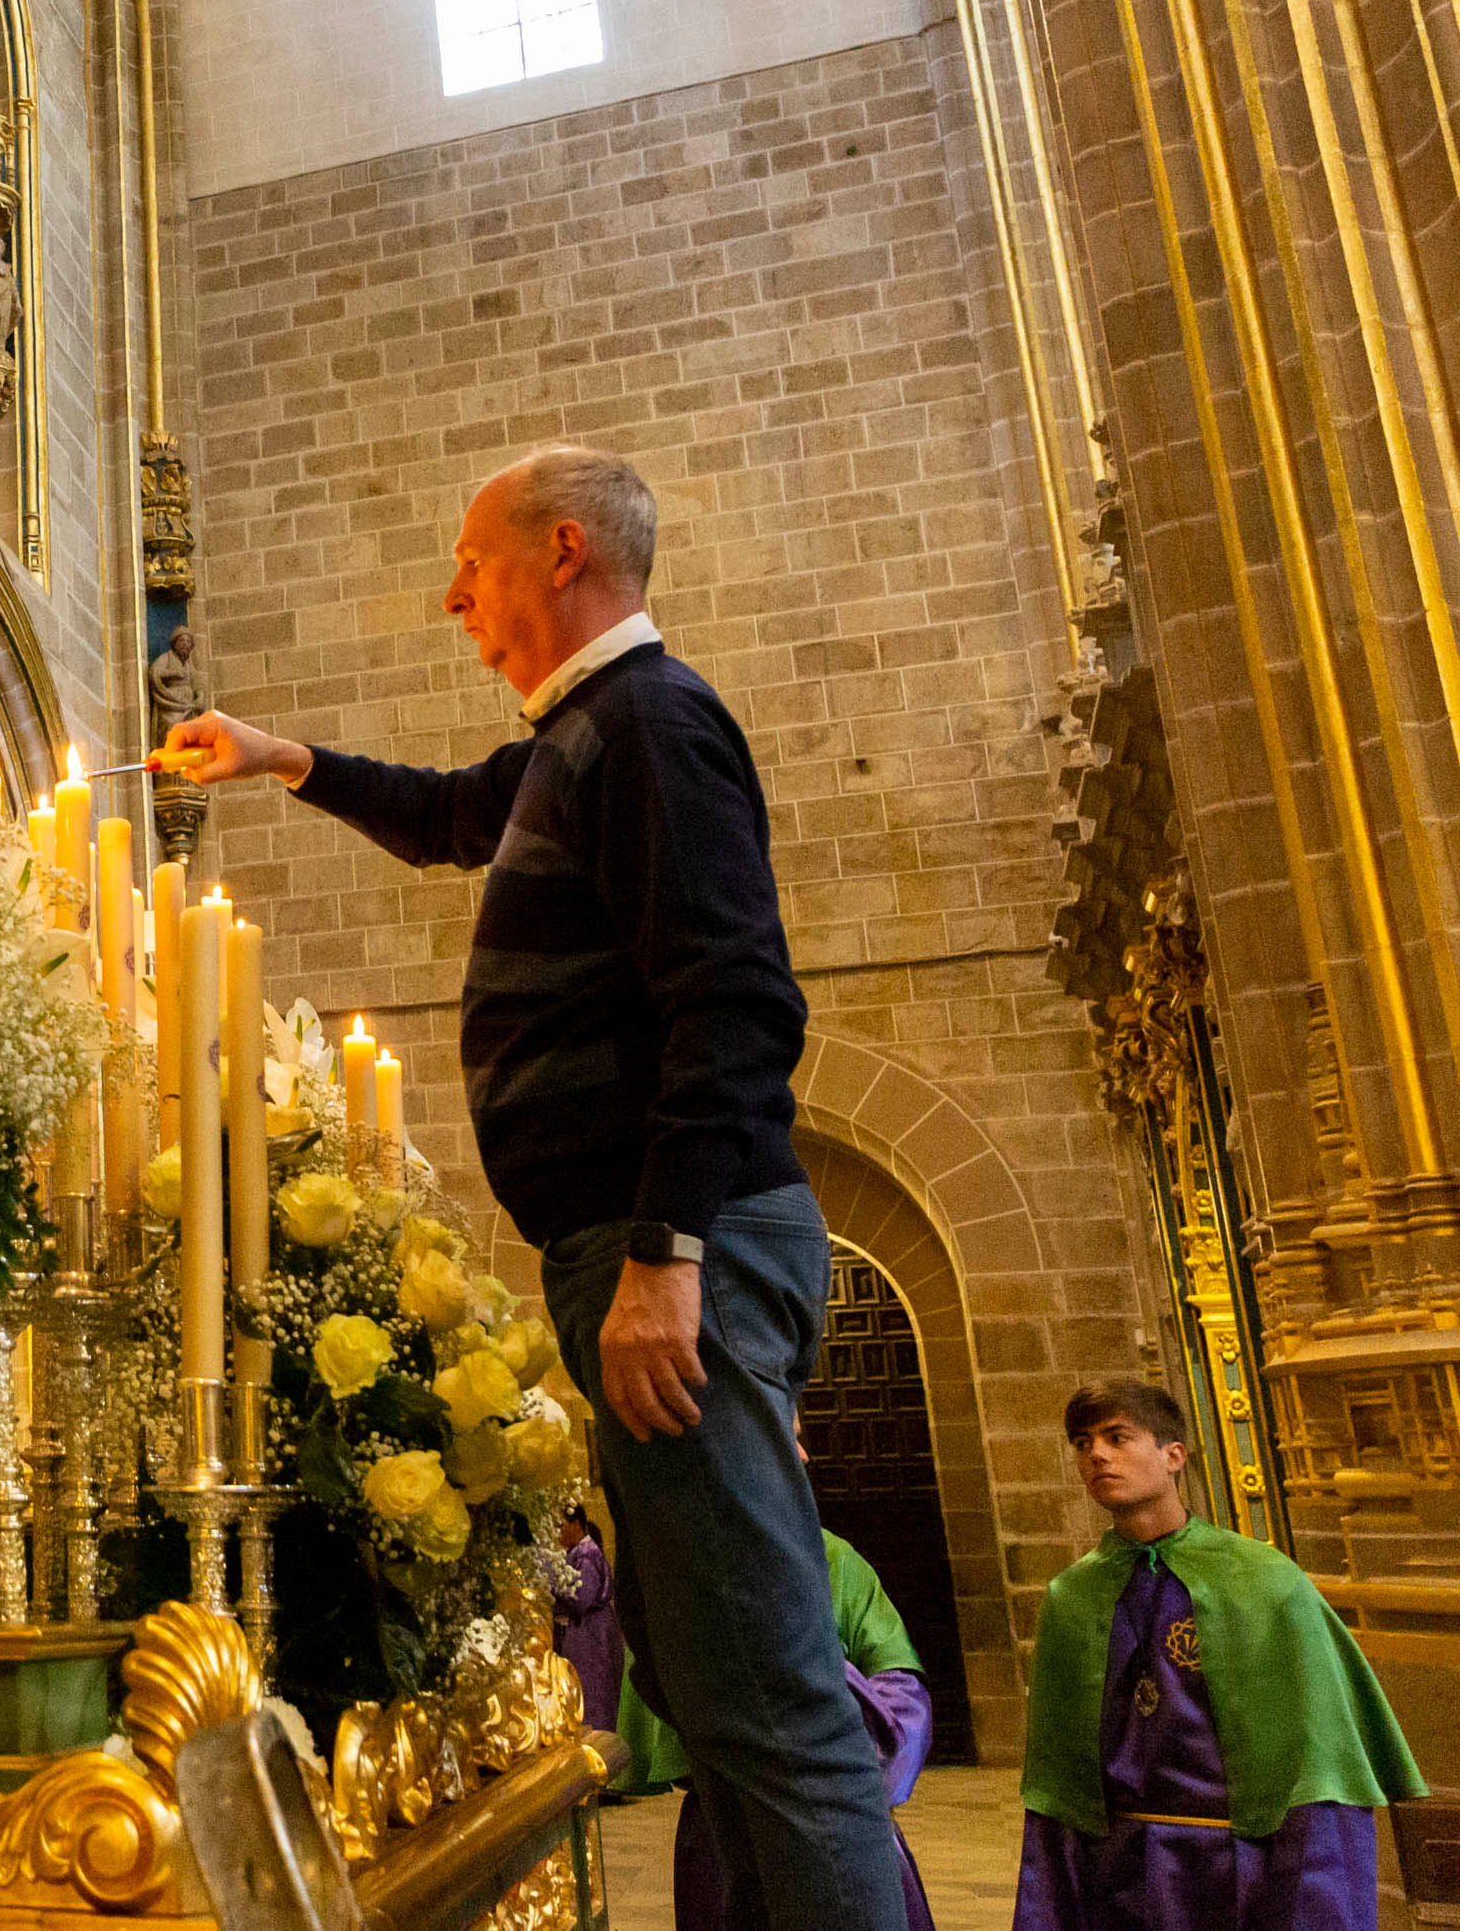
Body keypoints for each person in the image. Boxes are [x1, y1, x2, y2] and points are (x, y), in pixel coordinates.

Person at [164, 443, 905, 1927]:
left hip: (674, 1249)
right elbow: (452, 811)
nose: (454, 598)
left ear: (563, 553)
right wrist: (278, 757)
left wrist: (663, 1250)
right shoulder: (581, 739)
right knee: (718, 1702)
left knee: (771, 1706)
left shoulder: (650, 723)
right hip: (640, 1246)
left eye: (472, 564)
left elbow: (737, 999)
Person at [1017, 1378, 1425, 1930]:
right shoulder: (1071, 1597)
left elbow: (1314, 1761)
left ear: (1173, 1455)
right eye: (1083, 1443)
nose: (1097, 1455)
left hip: (1243, 1860)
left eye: (1117, 1437)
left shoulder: (1264, 1581)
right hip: (1119, 1871)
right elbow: (1060, 1781)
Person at [619, 1526, 937, 1929]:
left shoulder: (834, 1557)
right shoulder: (674, 1575)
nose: (803, 1458)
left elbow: (904, 1694)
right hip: (726, 1836)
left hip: (844, 1826)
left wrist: (848, 1758)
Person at [553, 1503, 619, 1731]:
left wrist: (553, 1584)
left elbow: (582, 1597)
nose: (557, 1532)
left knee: (592, 1691)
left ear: (577, 1525)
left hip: (591, 1632)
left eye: (561, 1526)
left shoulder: (587, 1554)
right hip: (587, 1630)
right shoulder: (577, 1554)